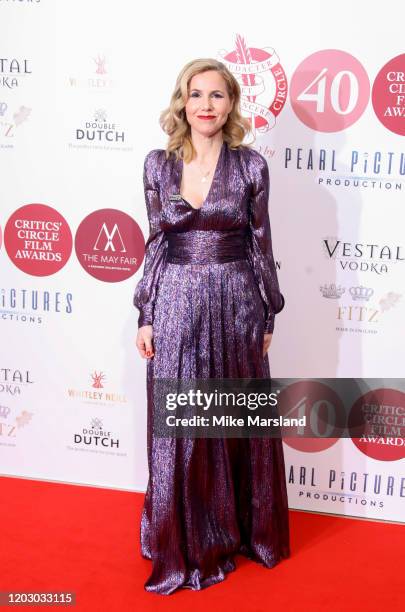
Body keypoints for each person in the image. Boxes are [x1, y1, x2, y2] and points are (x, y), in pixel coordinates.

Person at [133, 58, 290, 595]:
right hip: (175, 299)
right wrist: (147, 312)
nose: (206, 105)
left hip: (237, 300)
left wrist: (268, 308)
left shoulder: (251, 167)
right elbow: (156, 241)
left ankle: (240, 530)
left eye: (217, 95)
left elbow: (260, 242)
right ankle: (186, 538)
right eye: (196, 94)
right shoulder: (157, 165)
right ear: (182, 102)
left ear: (231, 104)